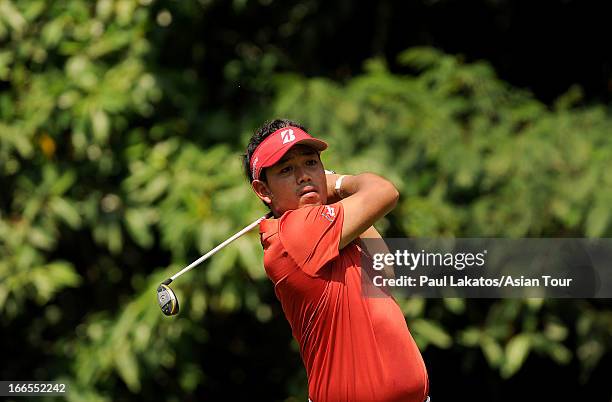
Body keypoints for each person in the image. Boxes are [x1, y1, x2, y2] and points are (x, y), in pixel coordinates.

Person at [243, 119, 429, 402]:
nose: (303, 176)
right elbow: (384, 192)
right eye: (286, 169)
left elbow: (385, 269)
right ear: (263, 191)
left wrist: (330, 198)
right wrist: (339, 183)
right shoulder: (295, 232)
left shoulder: (328, 231)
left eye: (311, 163)